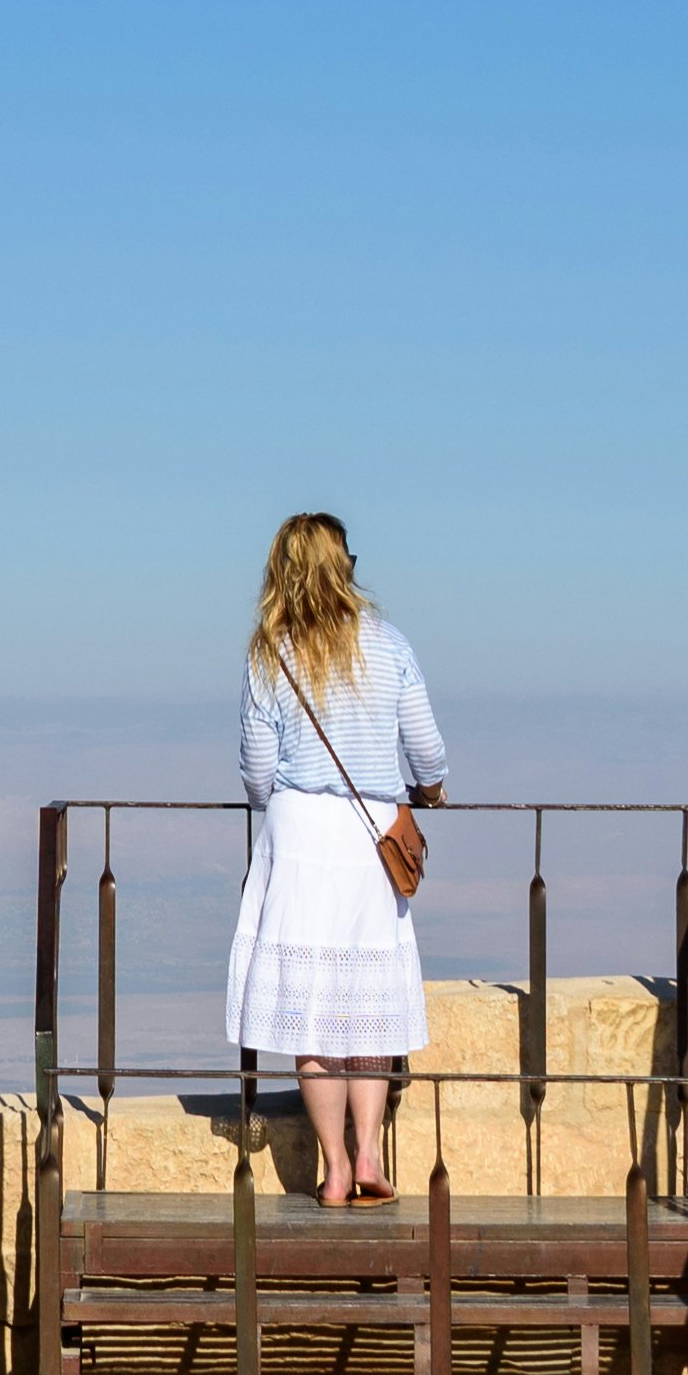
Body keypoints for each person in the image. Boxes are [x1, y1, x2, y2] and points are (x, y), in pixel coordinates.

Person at [223, 511, 450, 1209]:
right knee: (366, 1006)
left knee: (310, 1010)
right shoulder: (389, 645)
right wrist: (429, 790)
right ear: (342, 565)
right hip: (368, 833)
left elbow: (256, 772)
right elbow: (429, 752)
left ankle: (333, 1169)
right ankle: (371, 1153)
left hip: (298, 836)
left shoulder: (270, 653)